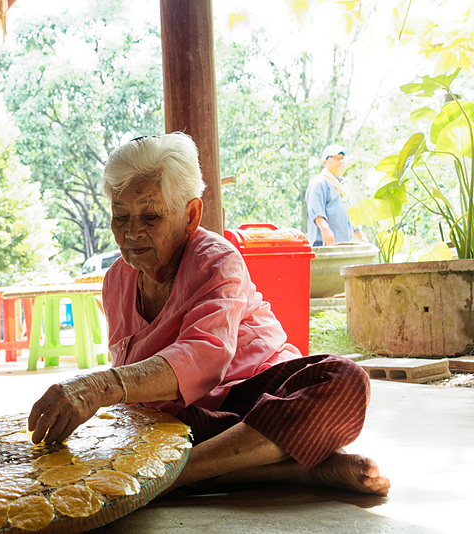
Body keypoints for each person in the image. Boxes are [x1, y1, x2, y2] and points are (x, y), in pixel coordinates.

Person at [28, 133, 390, 496]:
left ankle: (170, 477)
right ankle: (290, 469)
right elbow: (137, 393)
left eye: (150, 216)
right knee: (145, 426)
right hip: (195, 422)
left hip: (257, 400)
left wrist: (99, 386)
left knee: (345, 381)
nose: (131, 232)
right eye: (120, 216)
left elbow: (203, 358)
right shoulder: (116, 280)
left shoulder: (217, 260)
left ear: (191, 215)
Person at [305, 144, 366, 247]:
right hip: (325, 244)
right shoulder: (320, 182)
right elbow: (315, 209)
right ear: (325, 162)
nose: (340, 161)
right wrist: (325, 228)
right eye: (336, 158)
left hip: (343, 244)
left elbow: (351, 214)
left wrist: (361, 237)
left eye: (342, 158)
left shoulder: (343, 186)